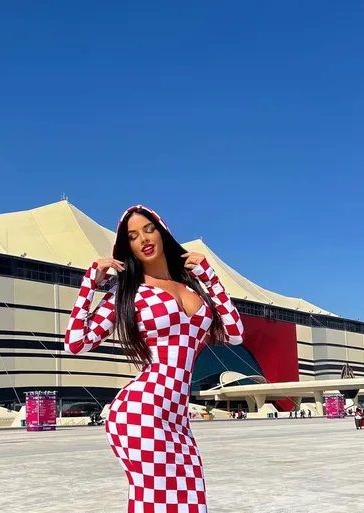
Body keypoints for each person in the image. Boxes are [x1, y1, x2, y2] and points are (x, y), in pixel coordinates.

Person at [65, 204, 244, 513]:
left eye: (149, 230)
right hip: (141, 410)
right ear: (127, 247)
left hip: (177, 417)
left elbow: (235, 333)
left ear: (162, 233)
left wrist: (211, 278)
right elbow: (75, 343)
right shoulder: (126, 293)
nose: (144, 239)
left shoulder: (193, 288)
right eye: (133, 236)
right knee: (152, 500)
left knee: (191, 501)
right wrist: (89, 284)